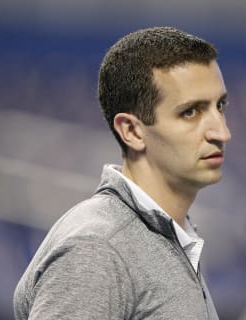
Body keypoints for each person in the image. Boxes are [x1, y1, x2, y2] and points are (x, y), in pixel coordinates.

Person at [13, 26, 231, 320]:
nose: (222, 132)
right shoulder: (97, 248)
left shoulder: (163, 238)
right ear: (131, 131)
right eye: (190, 112)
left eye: (220, 106)